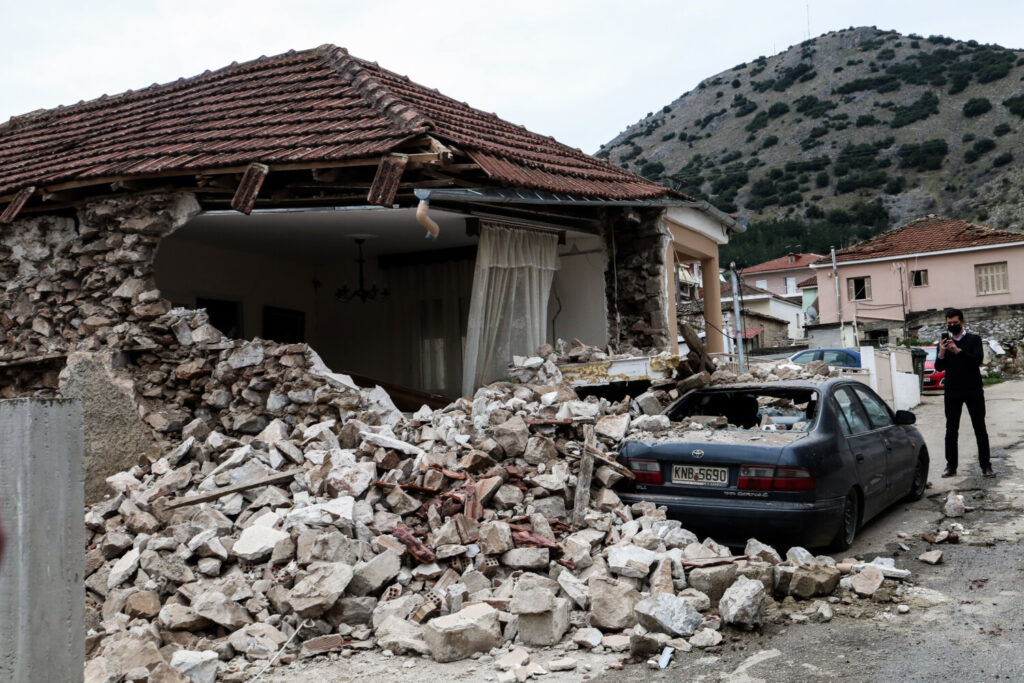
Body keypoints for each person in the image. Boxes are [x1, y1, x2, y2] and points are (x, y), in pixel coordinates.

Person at [935, 308, 993, 478]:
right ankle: (951, 466)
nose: (952, 326)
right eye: (949, 324)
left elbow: (977, 360)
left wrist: (958, 351)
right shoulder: (943, 342)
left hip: (973, 389)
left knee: (980, 428)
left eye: (955, 323)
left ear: (962, 322)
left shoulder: (974, 339)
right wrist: (942, 352)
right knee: (951, 429)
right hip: (952, 391)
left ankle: (986, 466)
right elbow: (939, 367)